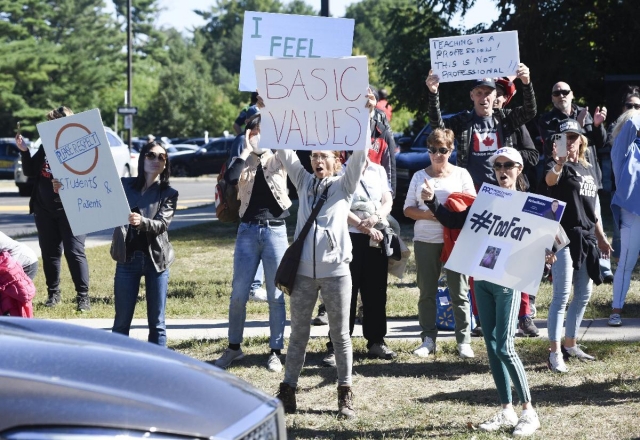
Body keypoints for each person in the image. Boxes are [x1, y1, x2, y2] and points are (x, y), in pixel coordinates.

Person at [422, 147, 548, 437]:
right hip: (482, 276)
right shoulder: (487, 199)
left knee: (505, 346)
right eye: (498, 166)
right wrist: (432, 204)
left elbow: (555, 235)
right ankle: (507, 410)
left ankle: (529, 413)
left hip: (508, 280)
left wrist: (548, 252)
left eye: (508, 165)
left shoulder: (531, 203)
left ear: (519, 169)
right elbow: (455, 222)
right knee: (491, 347)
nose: (502, 170)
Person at [274, 90, 376, 419]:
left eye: (324, 156)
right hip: (303, 273)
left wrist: (366, 115)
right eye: (314, 155)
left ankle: (345, 392)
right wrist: (269, 112)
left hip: (336, 273)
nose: (317, 161)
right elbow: (284, 150)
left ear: (335, 161)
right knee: (298, 334)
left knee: (341, 334)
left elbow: (360, 155)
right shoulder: (303, 182)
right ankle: (288, 390)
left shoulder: (345, 185)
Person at [214, 113, 290, 372]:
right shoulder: (243, 159)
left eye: (263, 131)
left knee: (276, 295)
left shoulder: (280, 155)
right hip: (247, 231)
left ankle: (276, 351)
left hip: (275, 230)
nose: (259, 136)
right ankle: (234, 348)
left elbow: (295, 164)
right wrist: (246, 149)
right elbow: (230, 179)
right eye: (254, 131)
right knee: (238, 294)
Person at [544, 119, 612, 372]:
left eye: (574, 137)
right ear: (557, 142)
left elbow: (592, 208)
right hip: (563, 236)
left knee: (583, 294)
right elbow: (550, 182)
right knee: (561, 297)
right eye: (564, 138)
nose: (569, 142)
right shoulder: (554, 165)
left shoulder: (588, 168)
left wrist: (602, 237)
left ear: (582, 141)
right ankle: (554, 353)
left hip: (588, 237)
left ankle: (570, 344)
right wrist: (559, 162)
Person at [403, 128, 476, 359]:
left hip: (456, 240)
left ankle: (463, 341)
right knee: (427, 291)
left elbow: (473, 206)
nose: (437, 155)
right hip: (426, 239)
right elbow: (407, 210)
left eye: (442, 150)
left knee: (460, 291)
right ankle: (428, 339)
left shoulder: (461, 174)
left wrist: (446, 213)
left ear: (451, 150)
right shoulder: (418, 176)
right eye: (432, 150)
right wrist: (431, 213)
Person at [14, 106, 91, 312]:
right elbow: (31, 171)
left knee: (75, 252)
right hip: (45, 209)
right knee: (50, 253)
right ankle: (53, 294)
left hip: (73, 209)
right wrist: (25, 151)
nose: (53, 126)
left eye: (57, 122)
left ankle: (83, 297)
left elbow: (89, 176)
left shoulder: (80, 146)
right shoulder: (47, 145)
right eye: (51, 122)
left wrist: (67, 182)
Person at [538, 81, 613, 283]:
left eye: (565, 92)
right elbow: (552, 148)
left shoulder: (584, 113)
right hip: (564, 181)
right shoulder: (547, 119)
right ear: (552, 97)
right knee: (565, 225)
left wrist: (596, 125)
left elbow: (600, 141)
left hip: (587, 177)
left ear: (572, 94)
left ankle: (603, 266)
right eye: (556, 93)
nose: (561, 95)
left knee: (594, 217)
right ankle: (553, 266)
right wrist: (575, 124)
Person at [108, 141, 178, 347]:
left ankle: (160, 368)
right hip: (126, 259)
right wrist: (63, 187)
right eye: (150, 155)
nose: (156, 160)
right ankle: (116, 364)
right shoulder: (124, 185)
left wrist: (141, 222)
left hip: (156, 262)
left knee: (157, 323)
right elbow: (95, 197)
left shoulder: (169, 193)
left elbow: (162, 224)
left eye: (161, 157)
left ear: (165, 164)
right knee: (121, 322)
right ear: (142, 158)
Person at [425, 65, 538, 189]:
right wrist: (433, 93)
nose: (483, 98)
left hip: (505, 187)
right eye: (479, 93)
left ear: (495, 95)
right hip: (472, 190)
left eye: (488, 93)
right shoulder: (463, 120)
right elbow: (438, 129)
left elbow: (530, 111)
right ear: (472, 96)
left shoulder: (506, 118)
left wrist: (526, 83)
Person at [608, 109, 640, 327]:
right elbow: (631, 127)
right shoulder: (621, 149)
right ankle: (616, 310)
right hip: (632, 213)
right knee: (626, 263)